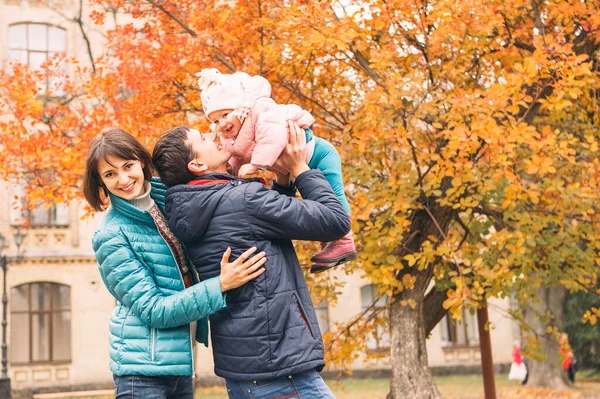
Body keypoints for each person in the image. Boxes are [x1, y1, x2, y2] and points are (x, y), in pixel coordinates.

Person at [152, 122, 350, 399]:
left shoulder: (189, 210)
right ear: (196, 164)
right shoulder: (242, 198)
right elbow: (335, 220)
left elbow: (259, 230)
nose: (215, 135)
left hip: (242, 372)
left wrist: (281, 185)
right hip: (280, 367)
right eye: (204, 138)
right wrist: (299, 169)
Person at [84, 128, 267, 399]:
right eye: (110, 174)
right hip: (141, 373)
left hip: (178, 365)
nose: (123, 179)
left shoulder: (172, 197)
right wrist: (220, 285)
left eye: (128, 166)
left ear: (142, 162)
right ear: (100, 182)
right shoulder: (110, 235)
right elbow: (154, 310)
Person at [196, 68, 356, 273]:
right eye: (216, 120)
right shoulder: (231, 134)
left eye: (226, 114)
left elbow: (273, 137)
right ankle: (330, 242)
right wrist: (232, 173)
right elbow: (236, 155)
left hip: (318, 154)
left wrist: (256, 164)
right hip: (295, 166)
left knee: (333, 195)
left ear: (241, 107)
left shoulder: (260, 112)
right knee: (319, 204)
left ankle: (344, 241)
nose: (222, 124)